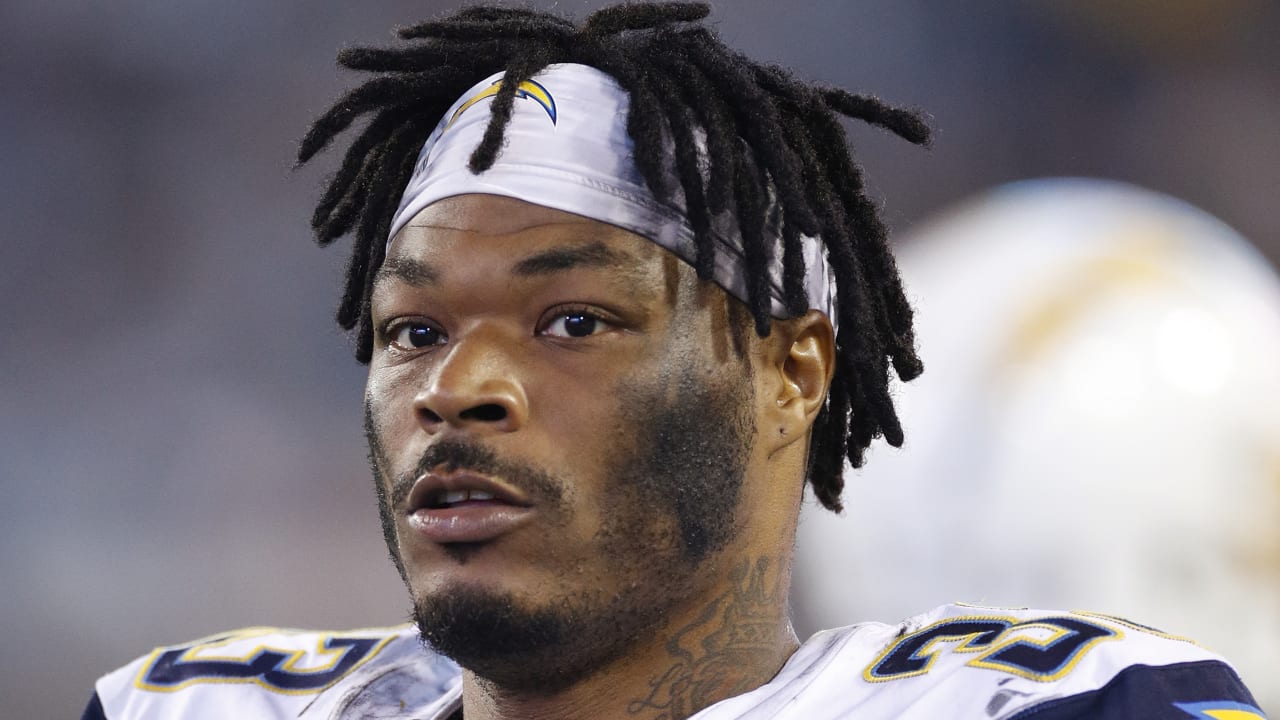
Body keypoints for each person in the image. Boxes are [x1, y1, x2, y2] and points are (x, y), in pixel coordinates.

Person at [82, 4, 1264, 718]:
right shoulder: (190, 706)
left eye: (573, 323)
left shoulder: (1061, 706)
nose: (456, 390)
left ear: (790, 377)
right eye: (414, 332)